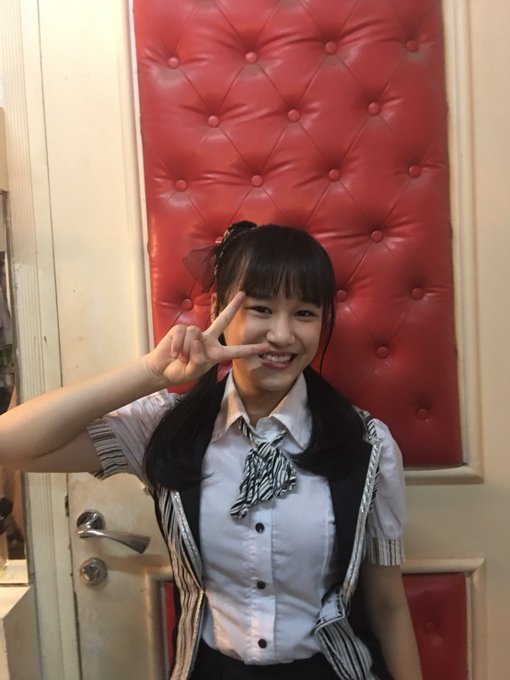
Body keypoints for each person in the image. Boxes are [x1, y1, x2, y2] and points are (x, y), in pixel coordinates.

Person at [0, 222, 422, 680]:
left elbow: (388, 605)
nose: (282, 335)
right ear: (221, 310)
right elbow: (9, 442)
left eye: (304, 313)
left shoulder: (367, 444)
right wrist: (151, 373)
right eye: (262, 308)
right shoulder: (167, 428)